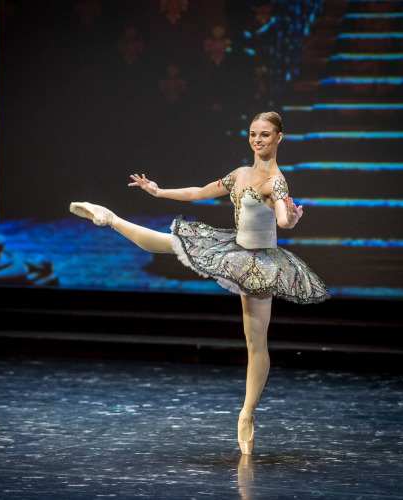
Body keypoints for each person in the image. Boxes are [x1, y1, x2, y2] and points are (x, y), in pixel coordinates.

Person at [70, 111, 330, 455]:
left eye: (265, 135)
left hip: (260, 263)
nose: (258, 140)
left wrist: (293, 217)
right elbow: (199, 191)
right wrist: (158, 192)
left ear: (279, 138)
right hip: (233, 250)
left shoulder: (277, 182)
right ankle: (111, 217)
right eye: (253, 134)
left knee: (255, 343)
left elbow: (283, 218)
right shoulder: (239, 174)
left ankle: (247, 413)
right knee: (170, 242)